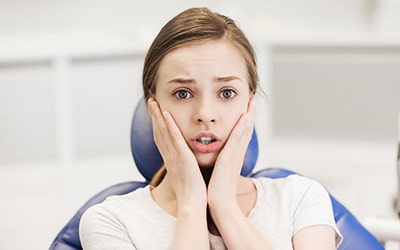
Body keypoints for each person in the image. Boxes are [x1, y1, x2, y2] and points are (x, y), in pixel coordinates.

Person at [79, 7, 342, 249]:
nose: (205, 114)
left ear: (250, 104)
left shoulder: (300, 198)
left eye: (227, 93)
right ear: (153, 107)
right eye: (183, 94)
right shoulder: (110, 222)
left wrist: (224, 205)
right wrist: (192, 203)